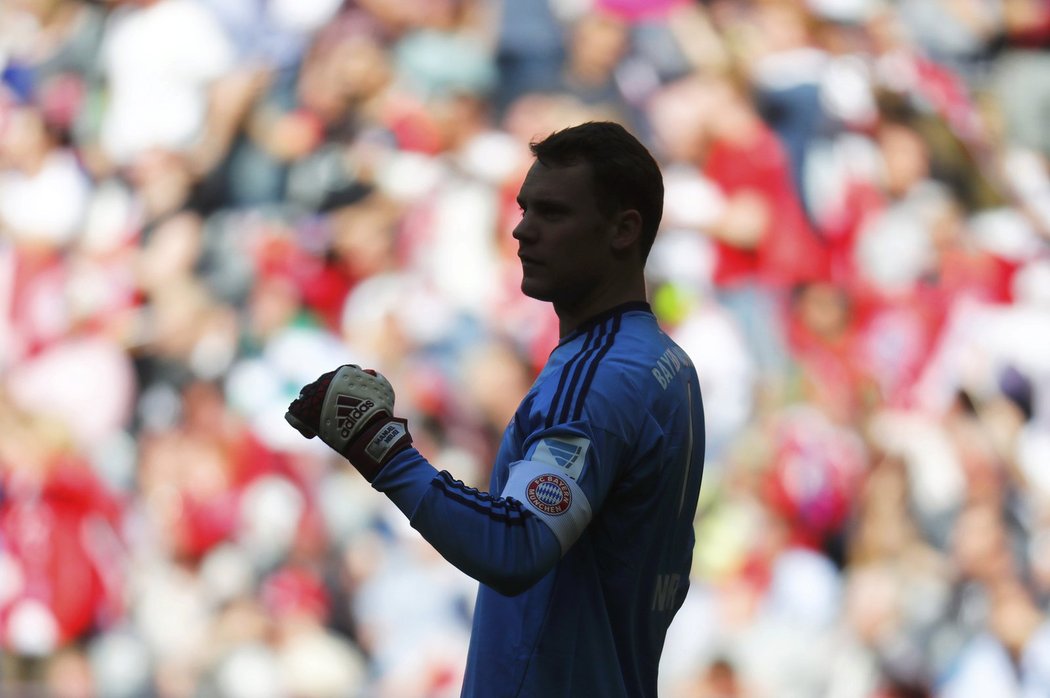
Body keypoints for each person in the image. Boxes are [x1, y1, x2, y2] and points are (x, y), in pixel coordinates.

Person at [285, 121, 706, 697]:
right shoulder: (666, 365)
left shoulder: (597, 378)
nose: (522, 231)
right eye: (524, 208)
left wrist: (378, 446)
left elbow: (516, 545)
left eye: (552, 214)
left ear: (623, 230)